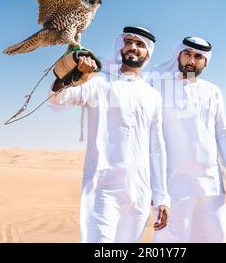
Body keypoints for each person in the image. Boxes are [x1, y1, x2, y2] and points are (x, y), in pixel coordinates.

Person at [48, 26, 170, 242]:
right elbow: (58, 100)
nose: (132, 47)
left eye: (139, 44)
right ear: (120, 47)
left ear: (148, 52)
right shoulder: (98, 81)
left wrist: (161, 197)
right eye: (128, 42)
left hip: (139, 192)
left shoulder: (153, 96)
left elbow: (157, 148)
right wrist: (72, 74)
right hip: (104, 188)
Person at [148, 36, 226, 243]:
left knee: (213, 237)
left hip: (210, 182)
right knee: (170, 238)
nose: (191, 60)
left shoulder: (212, 91)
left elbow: (222, 132)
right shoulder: (159, 87)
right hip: (174, 182)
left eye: (198, 56)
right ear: (178, 55)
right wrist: (155, 186)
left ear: (205, 62)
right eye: (187, 54)